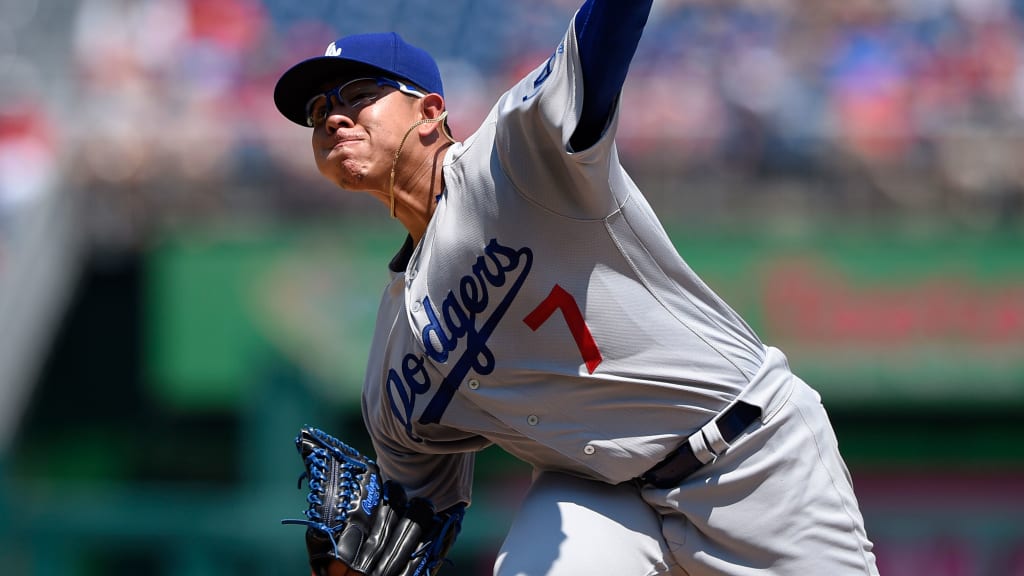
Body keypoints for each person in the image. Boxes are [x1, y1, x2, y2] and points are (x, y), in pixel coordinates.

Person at [273, 1, 880, 574]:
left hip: (746, 454)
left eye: (359, 95)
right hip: (598, 493)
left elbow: (605, 30)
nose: (333, 116)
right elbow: (417, 516)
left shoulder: (513, 158)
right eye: (318, 110)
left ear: (431, 110)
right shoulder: (390, 357)